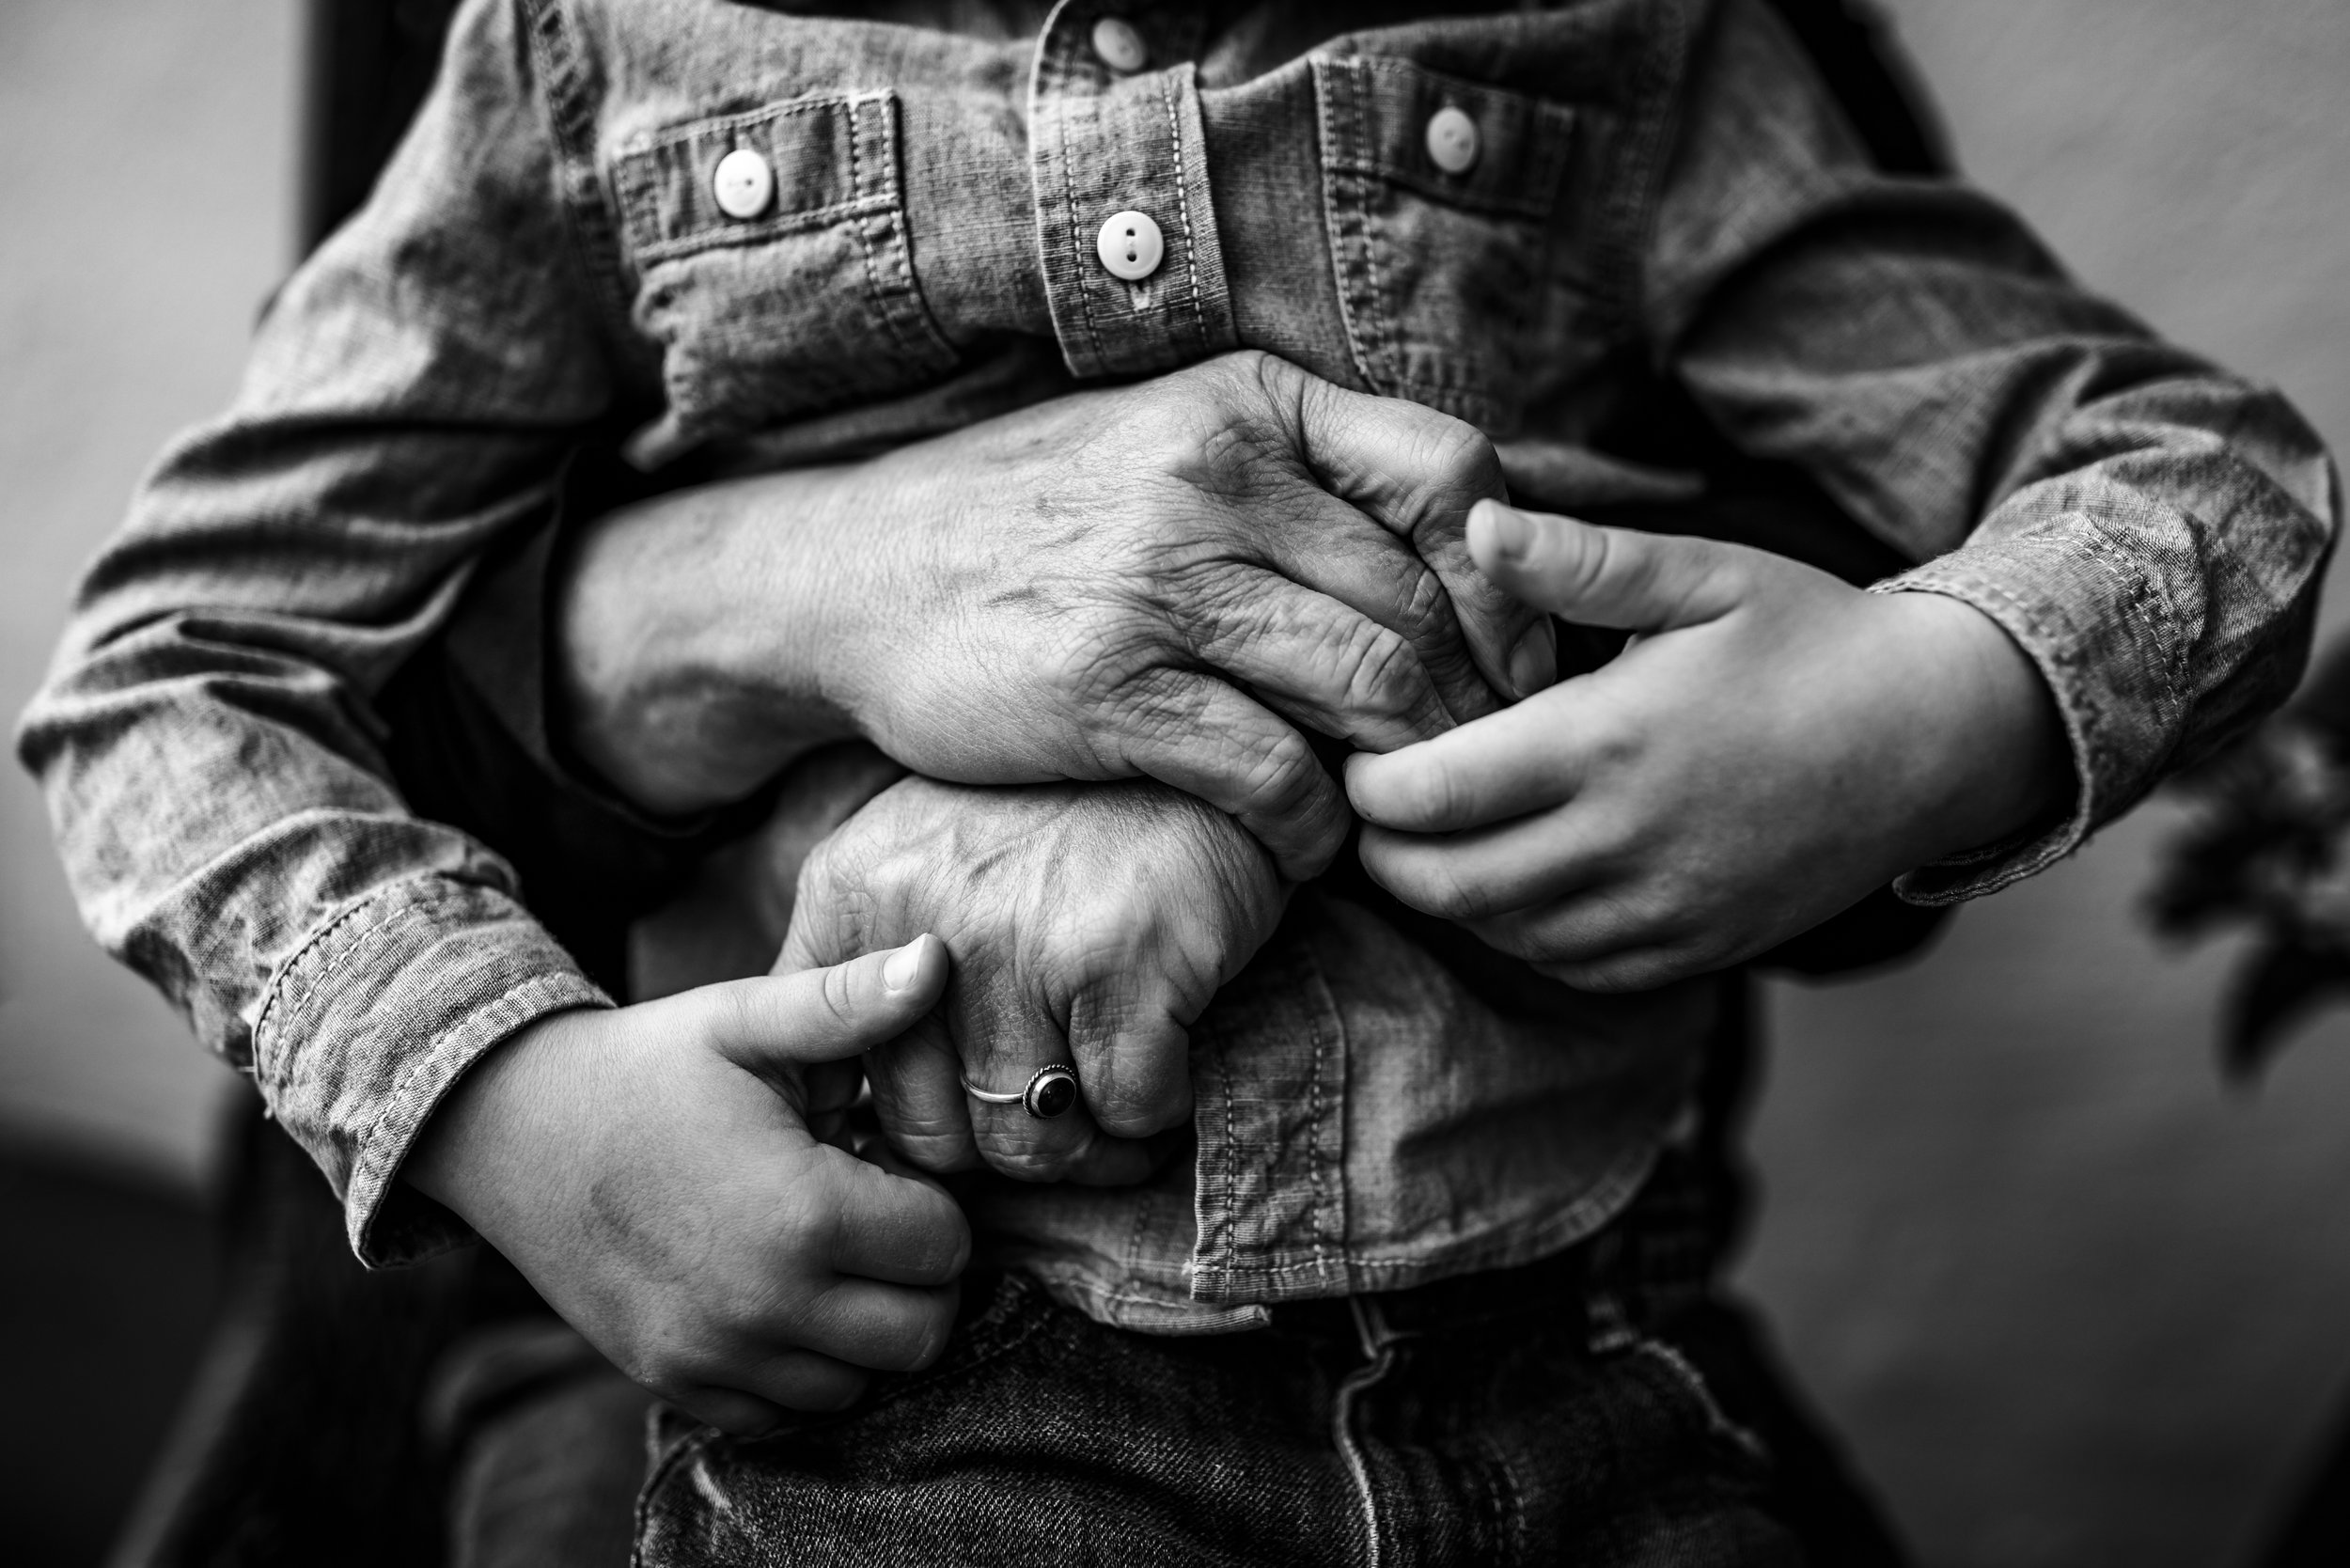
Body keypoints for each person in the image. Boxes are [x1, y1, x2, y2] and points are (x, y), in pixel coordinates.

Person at [18, 0, 2336, 1562]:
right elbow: (181, 666)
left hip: (1591, 1361)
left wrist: (1917, 712)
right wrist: (503, 1095)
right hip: (927, 1398)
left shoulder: (1631, 59)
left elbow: (2200, 470)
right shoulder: (590, 62)